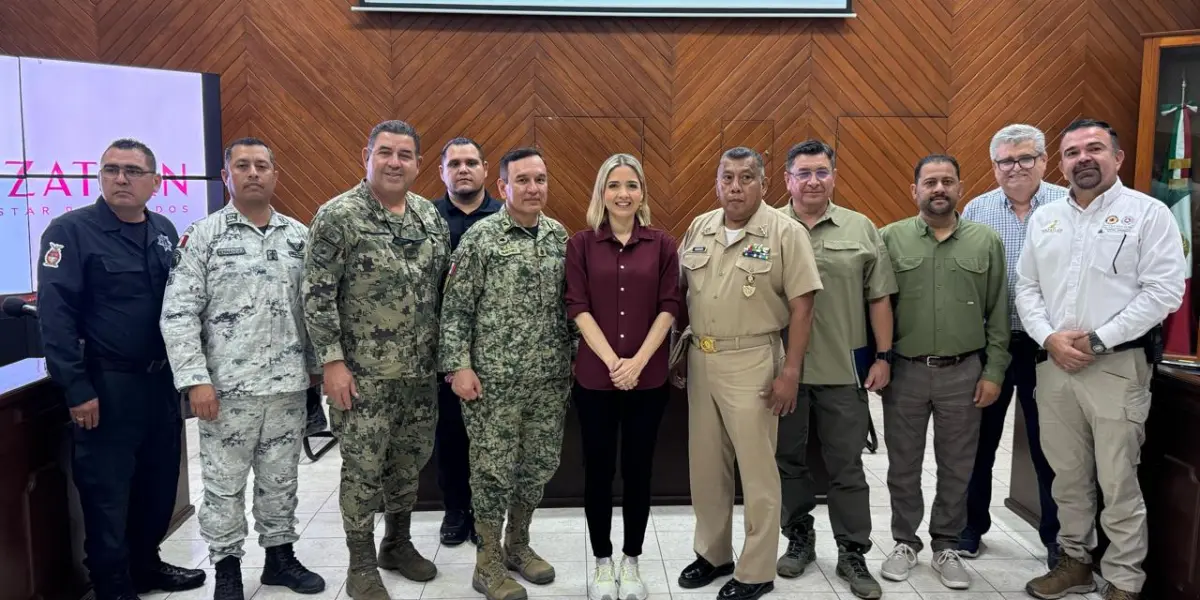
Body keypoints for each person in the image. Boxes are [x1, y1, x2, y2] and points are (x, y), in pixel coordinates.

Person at [1019, 119, 1185, 600]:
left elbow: (1164, 292)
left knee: (1117, 478)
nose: (1083, 158)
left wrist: (1097, 340)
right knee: (1066, 475)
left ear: (1118, 157)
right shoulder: (1046, 218)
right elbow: (1027, 287)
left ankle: (1125, 578)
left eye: (1094, 149)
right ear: (1062, 164)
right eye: (1072, 152)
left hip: (1115, 366)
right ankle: (1075, 561)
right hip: (1054, 367)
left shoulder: (1148, 215)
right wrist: (1050, 337)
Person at [37, 138, 205, 600]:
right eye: (111, 170)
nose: (121, 179)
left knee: (157, 484)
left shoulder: (165, 230)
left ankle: (145, 566)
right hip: (106, 386)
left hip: (159, 386)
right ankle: (111, 584)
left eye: (132, 171)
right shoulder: (69, 232)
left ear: (155, 181)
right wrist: (75, 387)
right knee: (107, 492)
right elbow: (56, 317)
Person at [160, 137, 325, 600]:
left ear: (275, 174)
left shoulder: (298, 236)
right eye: (242, 165)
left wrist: (315, 369)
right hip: (225, 392)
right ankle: (227, 568)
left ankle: (279, 558)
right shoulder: (204, 236)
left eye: (262, 166)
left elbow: (313, 308)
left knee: (281, 480)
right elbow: (178, 313)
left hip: (288, 388)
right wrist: (195, 380)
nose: (253, 173)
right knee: (223, 486)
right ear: (225, 176)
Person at [302, 120, 451, 599]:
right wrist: (331, 363)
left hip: (418, 375)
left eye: (404, 155)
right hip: (362, 376)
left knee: (408, 464)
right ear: (365, 156)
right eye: (385, 152)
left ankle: (397, 543)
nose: (394, 162)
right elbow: (317, 295)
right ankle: (361, 562)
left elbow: (440, 294)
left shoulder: (429, 217)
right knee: (363, 469)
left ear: (418, 164)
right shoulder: (338, 216)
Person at [674, 147, 822, 600]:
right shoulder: (701, 226)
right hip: (702, 358)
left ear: (763, 184)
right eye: (727, 178)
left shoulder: (784, 232)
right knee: (706, 467)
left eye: (746, 178)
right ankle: (713, 554)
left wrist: (791, 372)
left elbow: (803, 307)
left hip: (754, 360)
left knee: (758, 471)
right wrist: (679, 349)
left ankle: (756, 569)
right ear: (717, 182)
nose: (735, 187)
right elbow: (682, 293)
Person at [439, 147, 574, 600]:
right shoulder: (482, 238)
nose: (534, 188)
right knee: (492, 473)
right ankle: (487, 563)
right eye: (523, 180)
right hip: (492, 386)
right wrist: (458, 366)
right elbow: (455, 309)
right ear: (503, 187)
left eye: (540, 179)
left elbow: (572, 310)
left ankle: (518, 546)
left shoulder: (559, 237)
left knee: (537, 468)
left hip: (549, 382)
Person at [878, 154, 1009, 591]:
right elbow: (875, 308)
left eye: (947, 182)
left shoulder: (985, 241)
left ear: (959, 188)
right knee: (903, 464)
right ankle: (904, 541)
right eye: (930, 182)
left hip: (964, 373)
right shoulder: (890, 240)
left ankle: (947, 543)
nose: (939, 189)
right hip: (906, 372)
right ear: (913, 190)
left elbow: (998, 313)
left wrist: (993, 372)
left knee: (958, 465)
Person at [773, 140, 895, 599]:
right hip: (783, 372)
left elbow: (879, 296)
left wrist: (883, 357)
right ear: (787, 179)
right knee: (788, 461)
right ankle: (799, 539)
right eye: (803, 173)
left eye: (821, 172)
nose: (812, 181)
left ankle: (852, 552)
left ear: (834, 176)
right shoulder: (768, 226)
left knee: (847, 467)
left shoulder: (860, 228)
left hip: (844, 372)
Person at [565, 153, 679, 600]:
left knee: (638, 472)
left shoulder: (662, 245)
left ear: (642, 193)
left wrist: (637, 363)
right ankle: (602, 562)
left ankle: (632, 562)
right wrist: (615, 361)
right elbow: (577, 306)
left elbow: (670, 306)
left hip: (648, 382)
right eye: (614, 185)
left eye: (631, 185)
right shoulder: (581, 245)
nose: (623, 193)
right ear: (601, 192)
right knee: (597, 472)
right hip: (595, 379)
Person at [960, 124, 1067, 566]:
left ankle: (1056, 537)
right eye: (1006, 160)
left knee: (1052, 448)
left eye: (1026, 158)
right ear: (994, 166)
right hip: (993, 346)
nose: (1016, 167)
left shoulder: (1068, 205)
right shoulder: (978, 210)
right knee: (978, 443)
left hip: (1050, 346)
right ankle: (970, 527)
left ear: (1045, 161)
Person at [431, 137, 501, 547]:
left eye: (471, 162)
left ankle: (486, 512)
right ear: (442, 171)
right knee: (452, 434)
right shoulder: (427, 218)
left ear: (486, 169)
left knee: (492, 438)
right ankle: (455, 510)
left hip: (498, 347)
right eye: (454, 162)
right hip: (447, 350)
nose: (463, 169)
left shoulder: (504, 216)